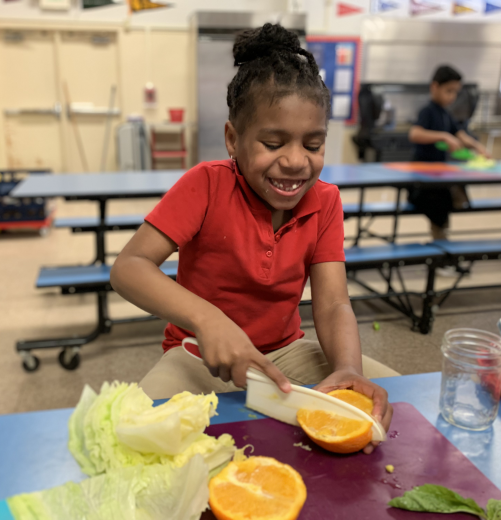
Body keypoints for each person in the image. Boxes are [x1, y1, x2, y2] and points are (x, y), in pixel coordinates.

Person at [111, 23, 392, 453]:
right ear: (233, 140)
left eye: (313, 144)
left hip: (287, 356)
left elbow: (334, 302)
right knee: (138, 440)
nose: (296, 161)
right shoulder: (204, 185)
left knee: (388, 400)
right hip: (195, 356)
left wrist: (347, 366)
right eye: (273, 142)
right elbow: (129, 268)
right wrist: (208, 321)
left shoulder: (326, 202)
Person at [408, 65, 489, 240]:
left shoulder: (446, 113)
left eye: (455, 92)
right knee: (439, 203)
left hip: (439, 175)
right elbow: (415, 134)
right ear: (434, 87)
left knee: (453, 194)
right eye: (449, 91)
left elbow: (460, 134)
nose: (452, 97)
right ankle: (440, 245)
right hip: (423, 177)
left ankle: (442, 240)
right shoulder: (427, 111)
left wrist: (477, 147)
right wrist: (443, 136)